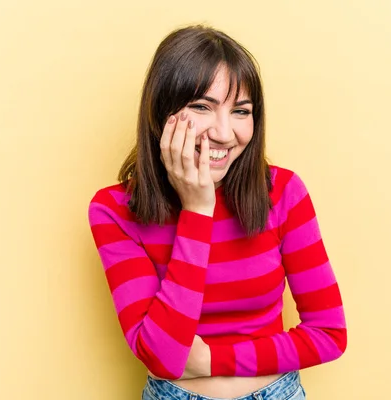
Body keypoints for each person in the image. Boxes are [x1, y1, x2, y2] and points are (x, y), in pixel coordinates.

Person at [88, 25, 347, 400]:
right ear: (161, 113)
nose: (225, 133)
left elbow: (329, 334)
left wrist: (211, 360)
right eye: (202, 107)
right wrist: (197, 209)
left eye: (241, 111)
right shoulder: (113, 211)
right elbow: (161, 356)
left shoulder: (284, 193)